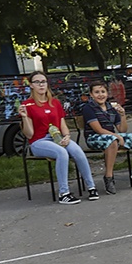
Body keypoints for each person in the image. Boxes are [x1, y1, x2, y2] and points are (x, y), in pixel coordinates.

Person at [19, 71, 99, 205]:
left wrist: (67, 136)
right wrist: (24, 117)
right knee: (61, 152)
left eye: (43, 81)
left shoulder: (55, 103)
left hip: (58, 137)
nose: (41, 85)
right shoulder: (28, 105)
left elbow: (62, 124)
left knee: (77, 150)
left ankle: (91, 187)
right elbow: (29, 134)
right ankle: (64, 193)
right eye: (37, 82)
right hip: (39, 141)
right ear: (31, 85)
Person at [80, 81, 132, 194]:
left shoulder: (111, 108)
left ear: (107, 93)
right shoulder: (88, 108)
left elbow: (122, 129)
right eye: (97, 92)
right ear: (91, 95)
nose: (100, 95)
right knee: (113, 141)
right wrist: (116, 136)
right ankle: (108, 177)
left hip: (112, 136)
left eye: (103, 92)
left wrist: (122, 115)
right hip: (94, 137)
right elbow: (98, 130)